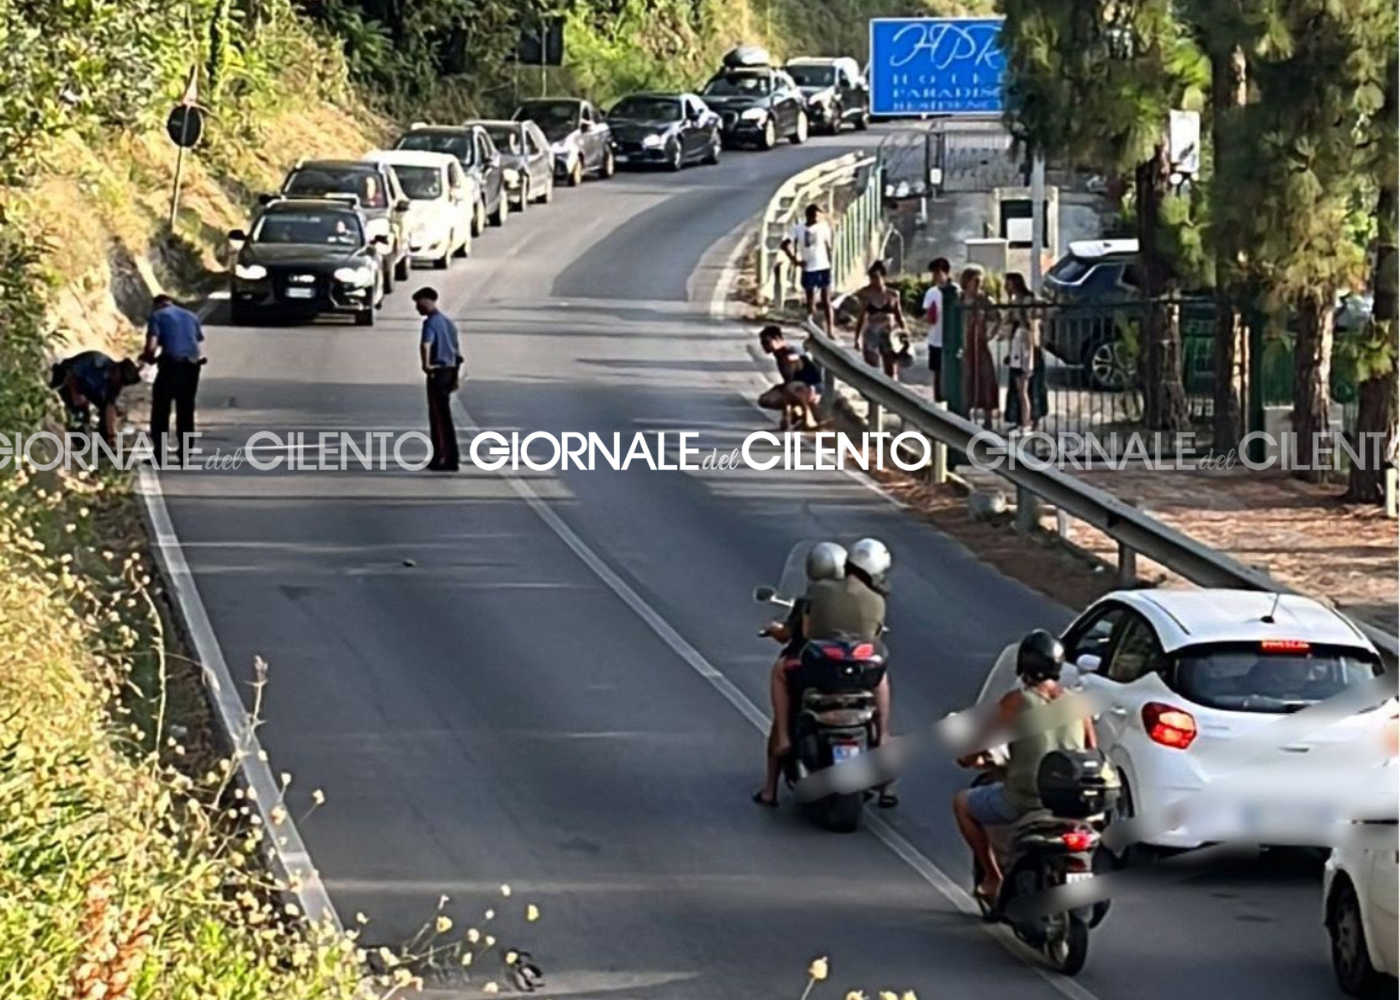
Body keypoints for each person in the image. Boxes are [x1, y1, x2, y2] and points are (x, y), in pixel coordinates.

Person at [953, 629, 1097, 905]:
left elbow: (981, 744)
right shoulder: (1078, 704)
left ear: (1023, 667)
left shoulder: (1016, 702)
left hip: (1025, 799)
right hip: (1071, 802)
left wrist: (968, 758)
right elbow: (1091, 750)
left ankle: (993, 877)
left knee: (962, 804)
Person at [756, 538, 898, 809]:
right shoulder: (877, 600)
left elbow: (806, 633)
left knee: (779, 672)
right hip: (860, 671)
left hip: (820, 667)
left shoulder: (818, 592)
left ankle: (771, 782)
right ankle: (883, 734)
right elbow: (875, 636)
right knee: (881, 678)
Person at [753, 541, 846, 807]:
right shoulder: (858, 596)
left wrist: (773, 628)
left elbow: (789, 635)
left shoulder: (810, 600)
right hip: (851, 673)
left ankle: (771, 784)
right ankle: (884, 746)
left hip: (812, 666)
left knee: (779, 673)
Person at [142, 293, 205, 466]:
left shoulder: (157, 316)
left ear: (157, 305)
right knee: (185, 409)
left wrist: (148, 358)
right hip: (192, 367)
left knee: (161, 410)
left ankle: (160, 454)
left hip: (171, 366)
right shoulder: (191, 316)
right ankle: (185, 453)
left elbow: (151, 347)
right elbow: (195, 342)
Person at [415, 287, 463, 472]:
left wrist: (426, 365)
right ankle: (449, 457)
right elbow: (457, 353)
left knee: (438, 418)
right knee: (445, 417)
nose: (417, 308)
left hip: (438, 372)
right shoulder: (448, 323)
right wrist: (456, 377)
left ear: (428, 301)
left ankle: (442, 458)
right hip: (450, 370)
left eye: (419, 303)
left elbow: (426, 345)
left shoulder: (431, 323)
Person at [50, 351, 141, 447]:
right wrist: (75, 394)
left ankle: (103, 443)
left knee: (104, 410)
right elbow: (71, 372)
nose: (121, 384)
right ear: (117, 370)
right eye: (122, 380)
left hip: (87, 390)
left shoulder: (115, 385)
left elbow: (109, 406)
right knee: (77, 411)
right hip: (67, 380)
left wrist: (111, 435)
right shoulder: (96, 361)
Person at [1001, 272, 1047, 432]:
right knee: (1018, 388)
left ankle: (1032, 420)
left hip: (1030, 347)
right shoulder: (1014, 302)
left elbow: (1037, 316)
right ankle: (1021, 419)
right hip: (1018, 347)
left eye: (1008, 283)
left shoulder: (1029, 300)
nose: (1006, 287)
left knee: (1032, 386)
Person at [780, 204, 834, 335]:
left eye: (819, 216)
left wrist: (831, 263)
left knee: (826, 299)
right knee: (810, 299)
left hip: (823, 266)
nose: (818, 218)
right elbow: (785, 244)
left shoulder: (824, 228)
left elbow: (829, 246)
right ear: (809, 216)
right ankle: (813, 329)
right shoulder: (798, 229)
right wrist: (794, 260)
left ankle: (830, 329)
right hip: (809, 268)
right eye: (816, 216)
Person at [757, 325, 822, 430]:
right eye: (763, 343)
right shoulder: (778, 354)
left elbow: (790, 382)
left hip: (811, 388)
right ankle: (796, 411)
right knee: (765, 400)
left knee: (790, 388)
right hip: (796, 387)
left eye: (767, 342)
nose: (765, 346)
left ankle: (808, 416)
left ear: (778, 339)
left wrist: (785, 414)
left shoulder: (789, 353)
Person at [853, 262, 909, 378]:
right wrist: (857, 338)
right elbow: (861, 317)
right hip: (871, 332)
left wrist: (905, 333)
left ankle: (892, 392)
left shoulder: (893, 295)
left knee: (891, 369)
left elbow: (899, 316)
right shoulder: (865, 294)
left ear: (883, 277)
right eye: (871, 278)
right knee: (872, 369)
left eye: (876, 277)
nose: (873, 281)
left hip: (888, 333)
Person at [959, 267, 1000, 428]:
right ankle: (966, 413)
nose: (977, 285)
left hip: (980, 343)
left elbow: (997, 317)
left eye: (979, 281)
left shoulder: (984, 300)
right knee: (966, 379)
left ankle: (988, 417)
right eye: (974, 281)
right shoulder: (960, 299)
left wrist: (990, 334)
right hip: (965, 344)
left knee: (985, 378)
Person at [921, 258, 952, 402]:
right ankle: (938, 399)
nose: (934, 277)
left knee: (952, 371)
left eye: (937, 273)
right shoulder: (931, 292)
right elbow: (928, 315)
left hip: (951, 339)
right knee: (937, 372)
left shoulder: (955, 291)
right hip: (935, 338)